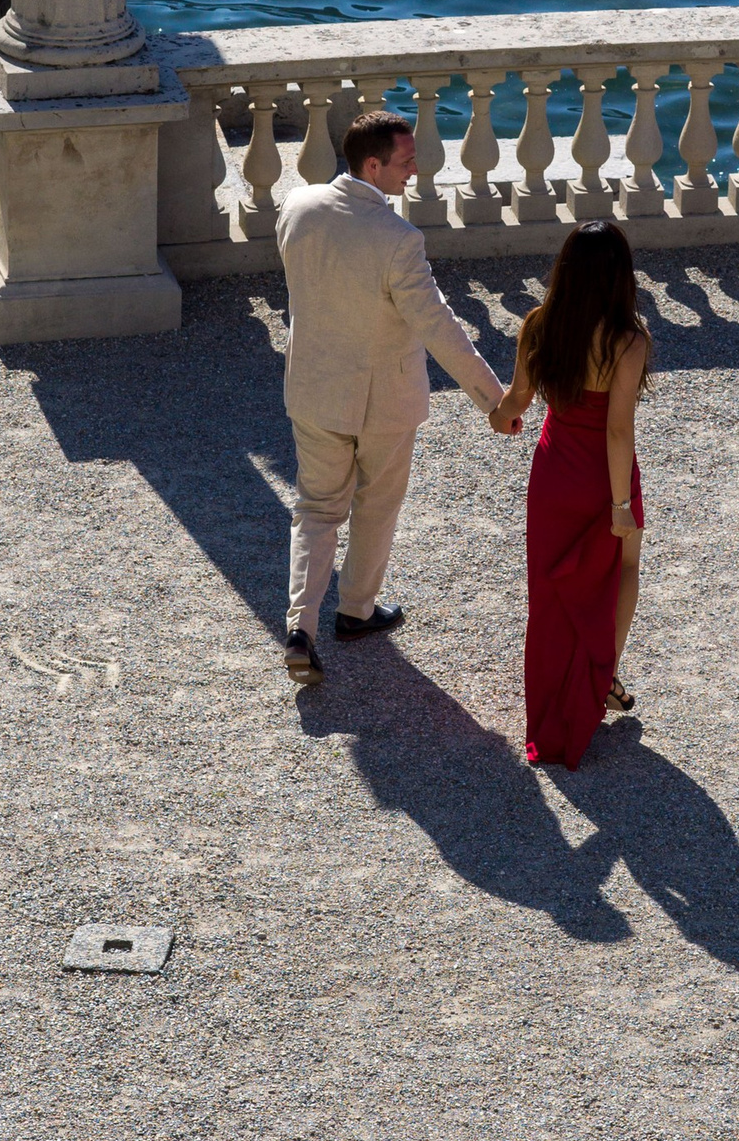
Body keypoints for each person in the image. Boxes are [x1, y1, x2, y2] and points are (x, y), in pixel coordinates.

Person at [274, 109, 508, 685]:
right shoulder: (398, 239)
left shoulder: (296, 207)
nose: (416, 169)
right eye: (406, 161)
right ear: (372, 165)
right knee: (375, 506)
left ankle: (300, 626)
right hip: (383, 402)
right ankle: (355, 611)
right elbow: (438, 327)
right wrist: (493, 398)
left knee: (315, 510)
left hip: (313, 389)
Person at [491, 221, 650, 768]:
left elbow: (517, 400)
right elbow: (617, 430)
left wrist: (497, 416)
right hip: (604, 478)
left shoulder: (540, 324)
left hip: (555, 473)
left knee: (550, 592)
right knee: (621, 566)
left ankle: (559, 701)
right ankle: (602, 677)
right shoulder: (628, 340)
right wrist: (621, 505)